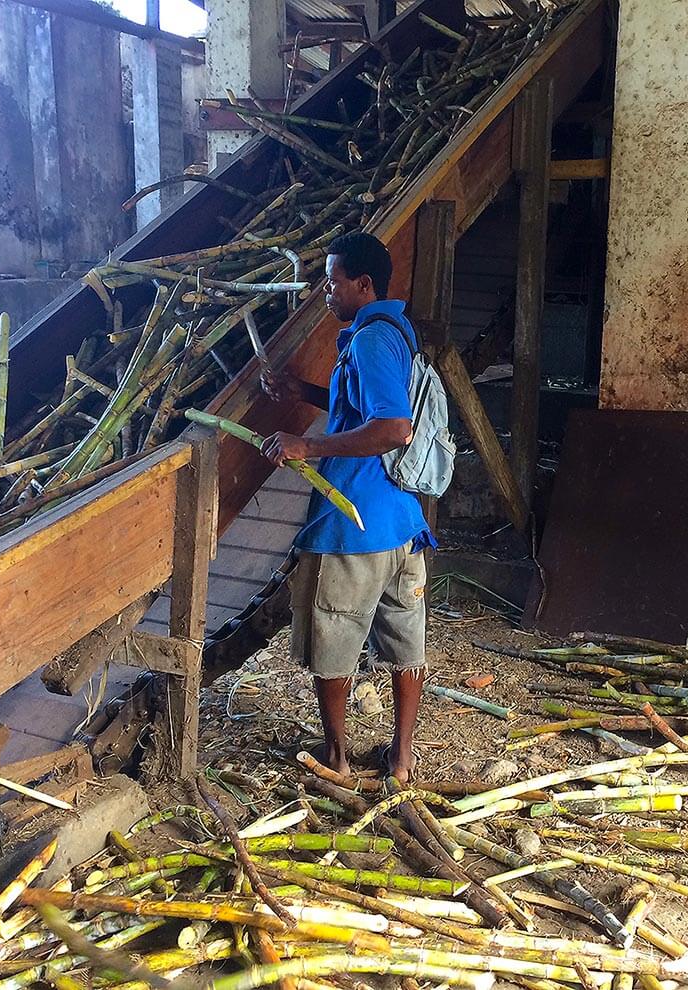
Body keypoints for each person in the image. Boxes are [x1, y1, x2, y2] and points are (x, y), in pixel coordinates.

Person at [260, 230, 434, 785]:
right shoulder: (390, 333)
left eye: (332, 281)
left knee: (333, 642)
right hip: (402, 523)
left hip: (355, 525)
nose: (325, 290)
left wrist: (307, 445)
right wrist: (303, 393)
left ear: (363, 284)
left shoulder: (368, 341)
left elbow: (392, 428)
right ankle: (402, 759)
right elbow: (363, 406)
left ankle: (335, 759)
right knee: (406, 642)